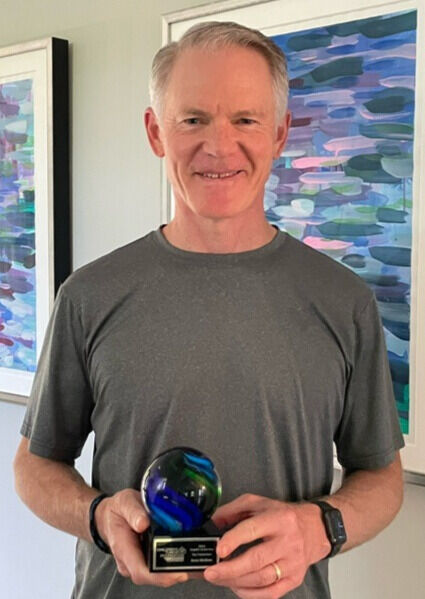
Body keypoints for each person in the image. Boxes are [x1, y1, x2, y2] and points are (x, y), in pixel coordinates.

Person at [13, 21, 404, 599]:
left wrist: (321, 527)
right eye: (192, 119)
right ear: (155, 132)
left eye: (245, 119)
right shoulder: (89, 295)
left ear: (279, 133)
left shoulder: (343, 300)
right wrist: (97, 517)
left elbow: (381, 476)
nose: (218, 146)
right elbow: (34, 467)